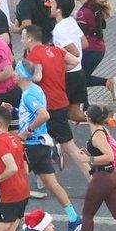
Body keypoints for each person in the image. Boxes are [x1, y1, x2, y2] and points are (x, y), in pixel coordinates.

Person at [14, 60, 81, 231]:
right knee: (52, 184)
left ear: (21, 75)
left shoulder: (29, 94)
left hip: (32, 146)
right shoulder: (36, 90)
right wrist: (14, 110)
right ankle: (74, 218)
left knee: (14, 182)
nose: (13, 74)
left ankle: (9, 221)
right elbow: (30, 113)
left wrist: (27, 131)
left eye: (15, 71)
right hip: (41, 145)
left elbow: (44, 115)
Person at [24, 23, 87, 175]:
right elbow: (75, 61)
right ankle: (42, 181)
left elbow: (38, 76)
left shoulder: (33, 56)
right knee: (39, 143)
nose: (21, 41)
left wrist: (24, 75)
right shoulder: (55, 50)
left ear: (30, 39)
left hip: (51, 106)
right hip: (62, 102)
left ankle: (91, 176)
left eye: (23, 38)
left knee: (70, 147)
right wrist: (58, 70)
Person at [50, 0, 88, 121]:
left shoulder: (59, 30)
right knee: (74, 114)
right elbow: (84, 43)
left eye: (53, 4)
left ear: (59, 10)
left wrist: (60, 58)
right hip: (79, 73)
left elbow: (75, 52)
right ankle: (103, 121)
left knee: (58, 111)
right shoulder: (71, 21)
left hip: (68, 75)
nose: (51, 6)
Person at [75, 0, 110, 93]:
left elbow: (80, 35)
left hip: (90, 49)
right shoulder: (94, 6)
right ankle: (86, 106)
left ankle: (108, 82)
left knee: (79, 79)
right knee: (81, 79)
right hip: (98, 48)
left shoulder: (82, 12)